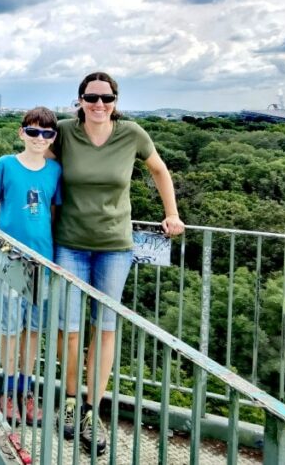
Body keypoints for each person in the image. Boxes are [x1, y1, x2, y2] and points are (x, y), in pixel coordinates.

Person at [51, 71, 185, 455]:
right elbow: (36, 164)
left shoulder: (132, 134)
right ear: (79, 100)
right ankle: (72, 402)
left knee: (105, 329)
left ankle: (94, 409)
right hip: (69, 245)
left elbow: (159, 169)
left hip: (114, 246)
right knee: (70, 329)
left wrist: (171, 213)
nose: (98, 105)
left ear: (115, 101)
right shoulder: (63, 132)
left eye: (106, 98)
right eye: (91, 98)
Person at [0, 106, 62, 429]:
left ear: (53, 137)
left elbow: (53, 214)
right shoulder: (5, 164)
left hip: (41, 260)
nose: (39, 138)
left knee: (33, 330)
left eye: (46, 133)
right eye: (33, 132)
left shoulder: (55, 171)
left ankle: (26, 391)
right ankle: (7, 389)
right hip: (9, 259)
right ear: (21, 133)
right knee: (9, 327)